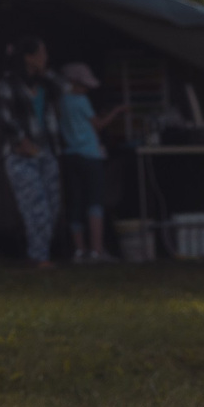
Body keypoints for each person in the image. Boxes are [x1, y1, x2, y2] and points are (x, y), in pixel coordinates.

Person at [0, 34, 65, 268]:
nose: (46, 58)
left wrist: (46, 74)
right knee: (35, 206)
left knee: (52, 205)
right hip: (21, 156)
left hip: (46, 152)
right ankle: (39, 257)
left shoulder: (45, 84)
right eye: (41, 54)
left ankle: (40, 252)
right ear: (28, 57)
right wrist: (20, 140)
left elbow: (64, 89)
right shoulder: (7, 85)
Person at [58, 61, 122, 263]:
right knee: (95, 202)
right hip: (89, 155)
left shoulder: (60, 101)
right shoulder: (81, 100)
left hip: (69, 155)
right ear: (74, 82)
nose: (86, 88)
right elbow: (98, 126)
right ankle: (97, 250)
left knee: (75, 202)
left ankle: (79, 251)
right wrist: (117, 112)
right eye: (83, 84)